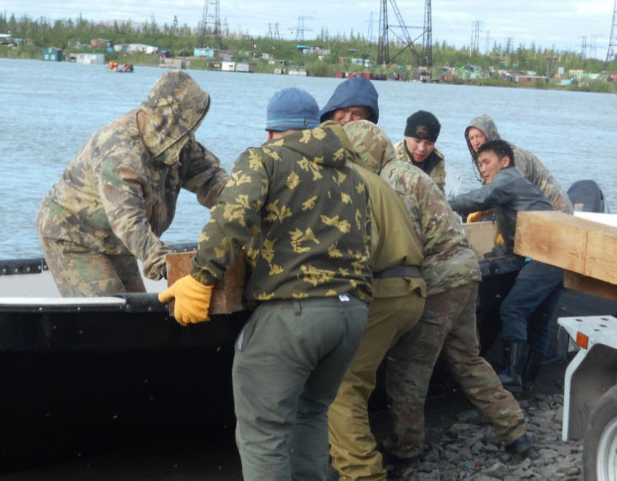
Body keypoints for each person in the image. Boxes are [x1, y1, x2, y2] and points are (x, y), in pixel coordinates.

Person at [159, 88, 373, 480]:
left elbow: (232, 219)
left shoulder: (265, 158)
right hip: (351, 314)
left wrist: (201, 277)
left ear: (272, 130)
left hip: (293, 317)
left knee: (264, 431)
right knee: (311, 413)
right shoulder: (353, 175)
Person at [344, 122, 534, 472]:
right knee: (468, 360)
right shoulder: (408, 172)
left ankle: (404, 448)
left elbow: (404, 242)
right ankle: (516, 431)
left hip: (439, 280)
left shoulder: (390, 181)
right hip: (465, 272)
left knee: (408, 368)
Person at [36, 70, 228, 297]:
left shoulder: (176, 143)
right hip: (74, 237)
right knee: (111, 317)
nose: (189, 133)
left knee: (133, 305)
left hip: (116, 241)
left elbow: (212, 180)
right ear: (168, 118)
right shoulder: (121, 154)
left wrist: (250, 202)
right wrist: (166, 265)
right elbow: (129, 222)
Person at [324, 120, 426, 481]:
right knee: (362, 380)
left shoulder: (346, 180)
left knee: (341, 386)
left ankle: (363, 474)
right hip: (411, 290)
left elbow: (360, 249)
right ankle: (342, 461)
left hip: (385, 292)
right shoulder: (377, 179)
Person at [449, 139, 562, 394]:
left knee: (513, 309)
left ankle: (511, 375)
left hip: (545, 256)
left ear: (505, 161)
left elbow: (480, 197)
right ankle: (528, 381)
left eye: (486, 162)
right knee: (540, 320)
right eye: (479, 165)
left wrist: (442, 204)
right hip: (558, 254)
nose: (483, 169)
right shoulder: (519, 183)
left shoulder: (507, 179)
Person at [464, 114, 573, 214]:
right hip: (534, 211)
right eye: (471, 138)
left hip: (556, 211)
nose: (475, 142)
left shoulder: (513, 156)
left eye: (479, 136)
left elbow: (511, 193)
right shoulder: (486, 160)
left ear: (489, 135)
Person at [394, 110, 446, 193]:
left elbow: (439, 192)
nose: (422, 149)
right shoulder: (390, 156)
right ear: (406, 137)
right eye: (417, 141)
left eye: (429, 143)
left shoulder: (438, 159)